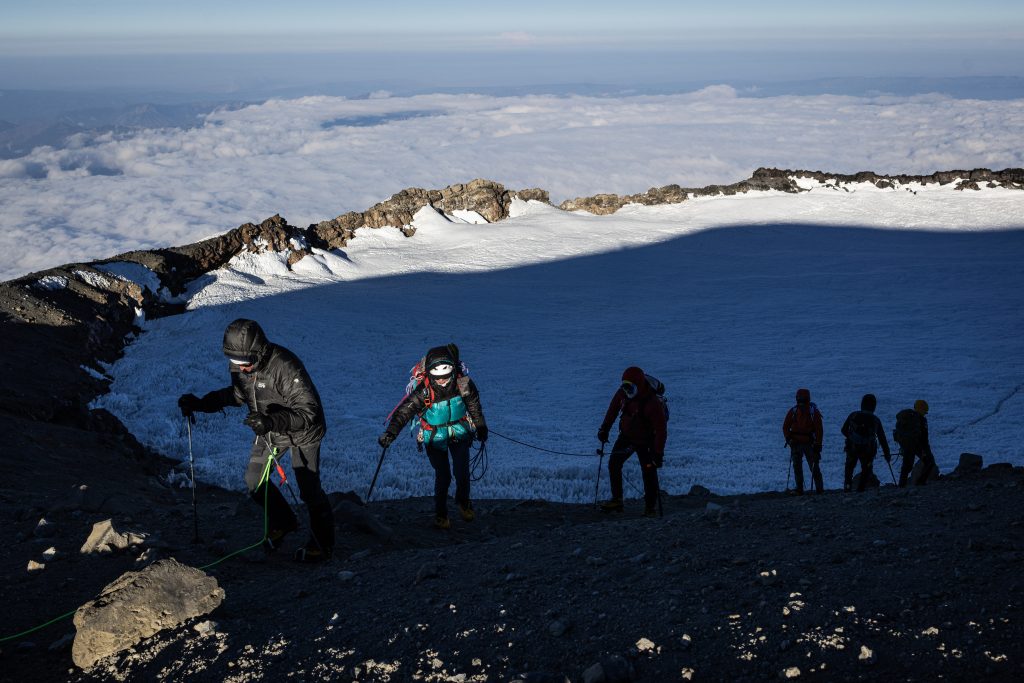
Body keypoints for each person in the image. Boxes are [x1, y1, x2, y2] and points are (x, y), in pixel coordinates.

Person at [178, 319, 335, 563]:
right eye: (236, 362)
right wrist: (201, 403)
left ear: (259, 352)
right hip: (270, 430)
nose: (242, 368)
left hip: (304, 432)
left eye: (246, 363)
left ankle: (323, 544)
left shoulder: (284, 366)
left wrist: (271, 421)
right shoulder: (241, 365)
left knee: (308, 489)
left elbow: (308, 412)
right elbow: (238, 395)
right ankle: (284, 522)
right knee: (254, 481)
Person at [379, 344, 487, 529]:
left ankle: (458, 505)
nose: (443, 380)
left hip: (452, 434)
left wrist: (481, 426)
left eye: (446, 375)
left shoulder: (459, 384)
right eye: (438, 376)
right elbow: (405, 412)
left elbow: (474, 405)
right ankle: (443, 512)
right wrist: (391, 432)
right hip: (440, 436)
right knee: (444, 476)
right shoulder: (430, 389)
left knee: (460, 473)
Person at [597, 366, 668, 516]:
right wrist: (604, 429)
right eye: (625, 386)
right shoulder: (623, 392)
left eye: (630, 387)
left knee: (648, 471)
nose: (627, 390)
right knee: (614, 463)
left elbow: (661, 430)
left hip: (647, 440)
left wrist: (658, 453)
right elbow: (613, 409)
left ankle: (650, 508)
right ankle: (617, 500)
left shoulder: (652, 403)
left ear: (639, 384)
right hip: (627, 436)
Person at [841, 393, 891, 492]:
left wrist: (851, 437)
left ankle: (847, 488)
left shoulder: (853, 415)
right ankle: (861, 489)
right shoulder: (876, 420)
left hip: (852, 447)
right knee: (866, 469)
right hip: (868, 450)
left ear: (862, 404)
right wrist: (887, 454)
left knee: (849, 468)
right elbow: (882, 439)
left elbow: (843, 430)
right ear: (874, 406)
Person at [782, 388, 824, 494]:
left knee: (809, 466)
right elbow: (819, 430)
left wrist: (789, 438)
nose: (801, 403)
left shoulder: (797, 411)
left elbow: (786, 427)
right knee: (804, 466)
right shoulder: (812, 412)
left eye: (803, 400)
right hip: (801, 443)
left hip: (804, 443)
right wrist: (789, 439)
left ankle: (808, 489)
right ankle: (815, 489)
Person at [894, 399, 937, 486]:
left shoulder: (907, 417)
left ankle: (901, 486)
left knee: (906, 466)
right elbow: (925, 439)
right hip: (917, 445)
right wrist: (927, 451)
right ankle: (921, 483)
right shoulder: (922, 420)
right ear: (922, 410)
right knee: (930, 461)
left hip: (905, 444)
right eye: (925, 412)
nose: (925, 414)